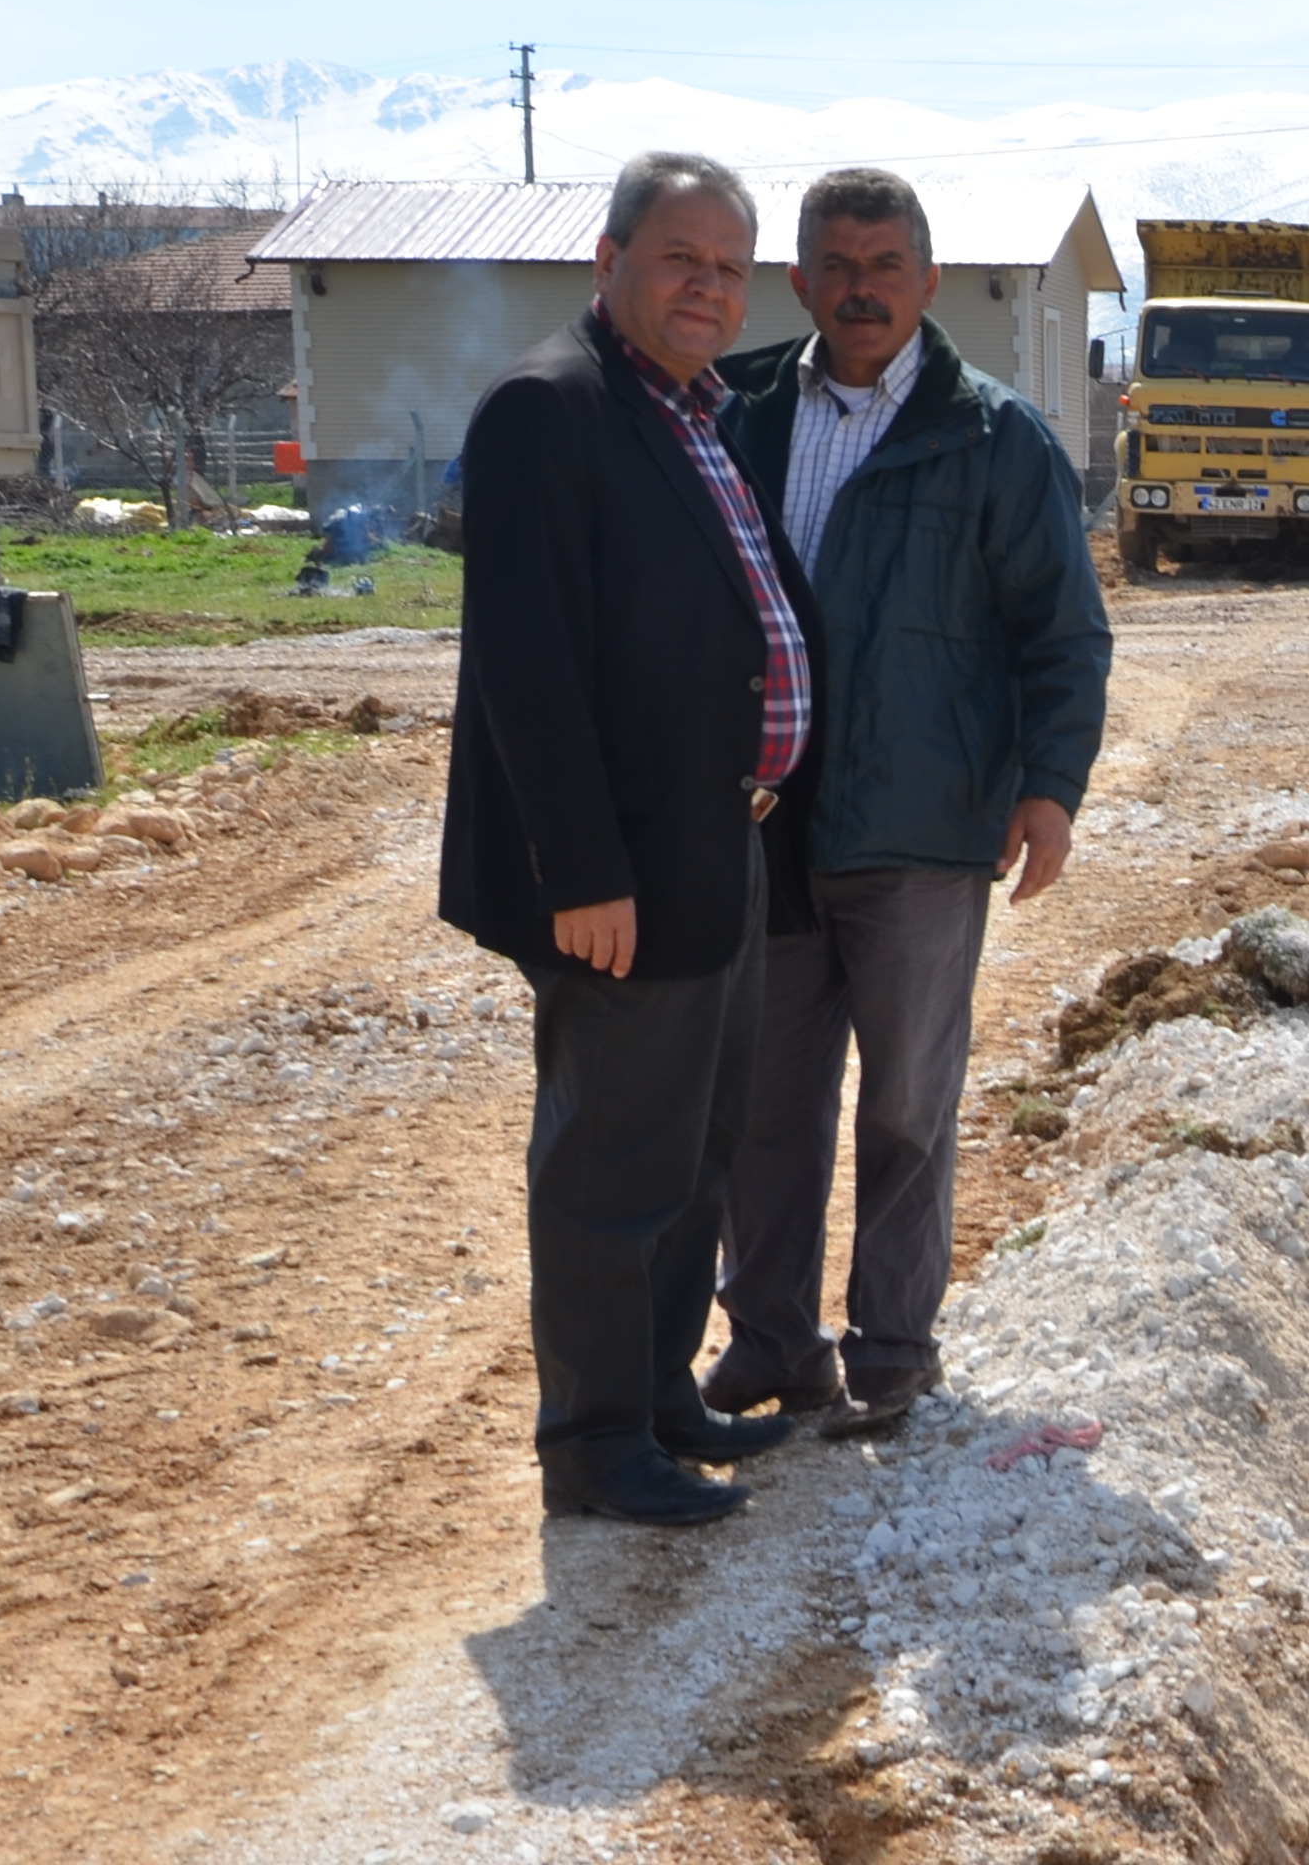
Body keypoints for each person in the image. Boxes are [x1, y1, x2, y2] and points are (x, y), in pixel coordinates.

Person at [708, 166, 1113, 1442]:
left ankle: (891, 1348)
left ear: (929, 282)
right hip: (767, 824)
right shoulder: (736, 414)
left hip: (922, 828)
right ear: (800, 281)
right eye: (837, 265)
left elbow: (1063, 632)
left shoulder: (993, 439)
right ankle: (770, 1340)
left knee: (903, 1103)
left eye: (886, 267)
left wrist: (1047, 790)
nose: (860, 289)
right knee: (766, 1108)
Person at [437, 148, 809, 1531]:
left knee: (698, 1143)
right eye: (679, 259)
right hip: (626, 873)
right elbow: (526, 665)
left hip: (719, 841)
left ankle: (660, 1397)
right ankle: (594, 1445)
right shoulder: (551, 408)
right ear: (610, 264)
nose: (707, 286)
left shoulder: (694, 412)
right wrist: (580, 872)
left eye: (728, 265)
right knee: (611, 1166)